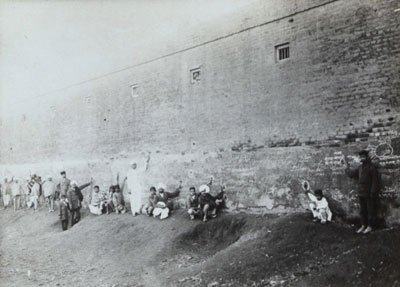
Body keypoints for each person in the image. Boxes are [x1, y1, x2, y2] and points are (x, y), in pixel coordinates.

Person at [345, 149, 380, 234]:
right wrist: (346, 166)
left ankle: (370, 226)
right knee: (363, 211)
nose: (362, 158)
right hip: (361, 193)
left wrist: (372, 193)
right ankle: (363, 225)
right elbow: (351, 174)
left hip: (369, 194)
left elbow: (375, 182)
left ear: (367, 157)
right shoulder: (360, 168)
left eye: (363, 156)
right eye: (361, 157)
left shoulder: (372, 167)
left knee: (370, 211)